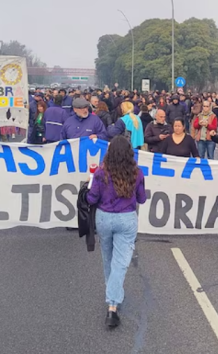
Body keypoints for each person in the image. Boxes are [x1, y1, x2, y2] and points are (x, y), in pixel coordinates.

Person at [86, 136, 146, 328]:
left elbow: (92, 198)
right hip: (126, 218)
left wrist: (88, 187)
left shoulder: (101, 173)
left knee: (108, 258)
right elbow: (142, 199)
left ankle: (112, 294)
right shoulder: (137, 173)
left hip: (104, 217)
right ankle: (112, 305)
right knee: (120, 263)